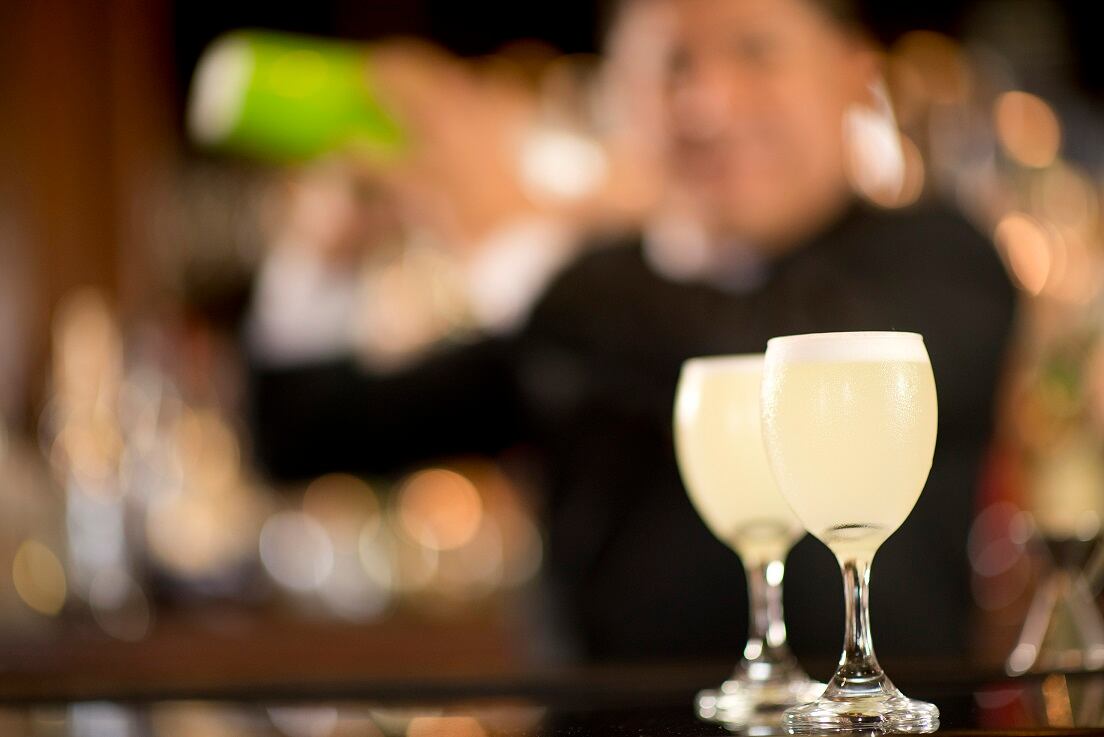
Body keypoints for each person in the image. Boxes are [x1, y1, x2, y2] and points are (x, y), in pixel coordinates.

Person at [247, 0, 1016, 665]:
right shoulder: (590, 293)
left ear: (852, 75)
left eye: (756, 53)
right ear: (617, 95)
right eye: (671, 64)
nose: (708, 104)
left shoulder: (938, 259)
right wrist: (322, 253)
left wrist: (508, 237)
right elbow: (300, 433)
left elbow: (759, 352)